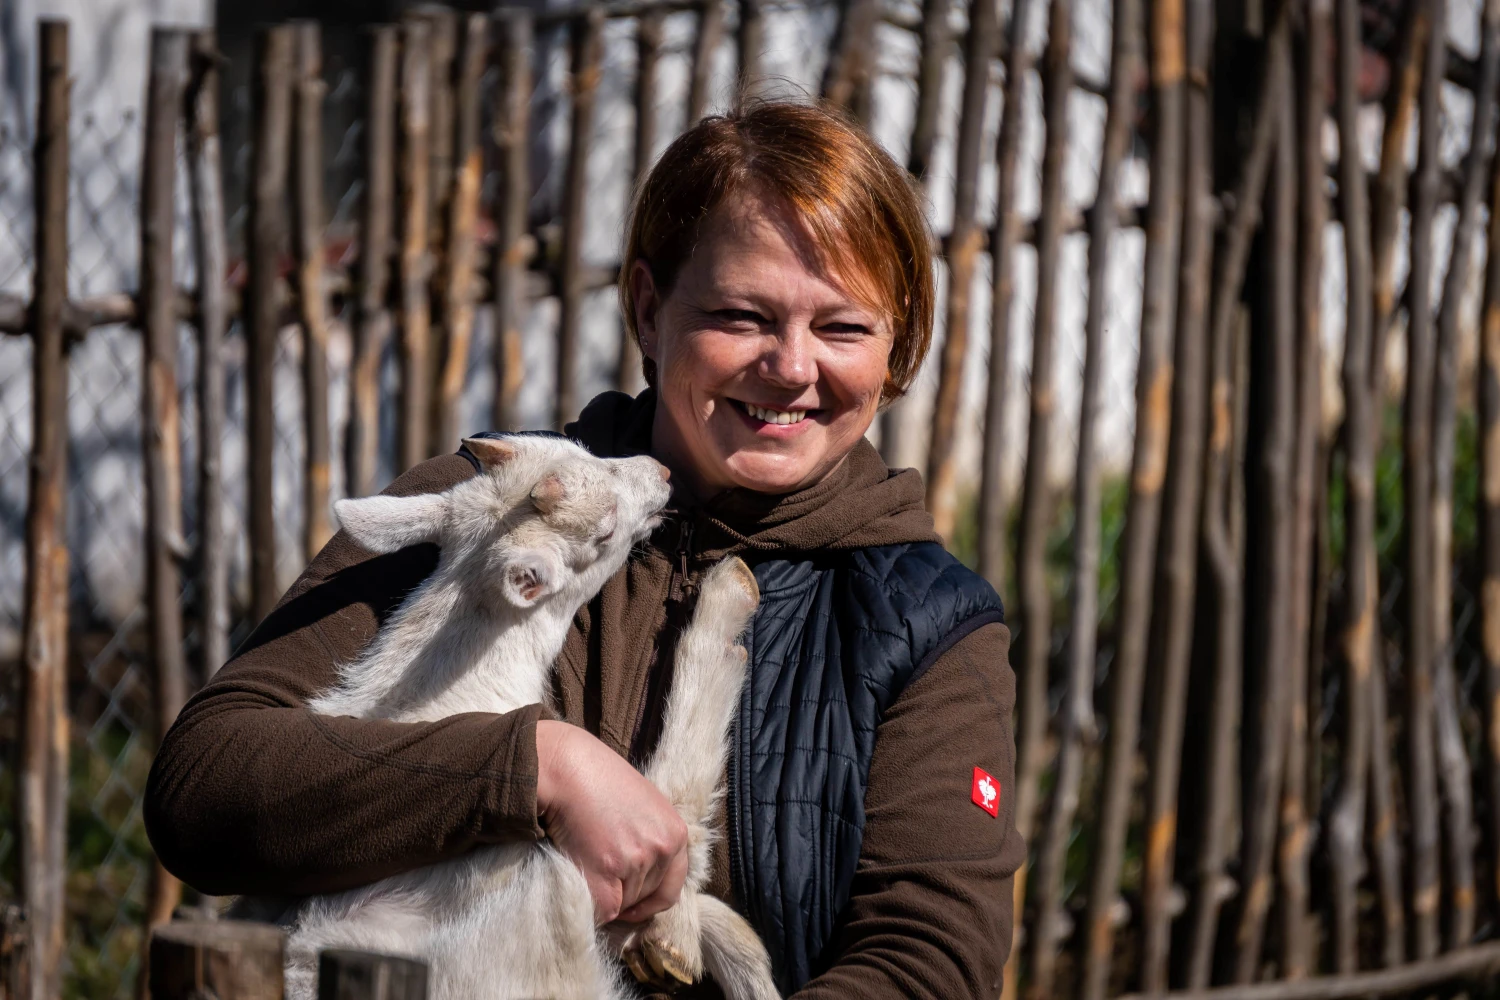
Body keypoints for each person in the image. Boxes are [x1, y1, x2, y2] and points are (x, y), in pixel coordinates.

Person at [146, 100, 1024, 999]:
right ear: (650, 310)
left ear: (895, 342)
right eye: (741, 314)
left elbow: (928, 965)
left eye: (843, 328)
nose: (792, 367)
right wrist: (535, 768)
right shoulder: (494, 511)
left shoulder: (926, 631)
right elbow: (207, 788)